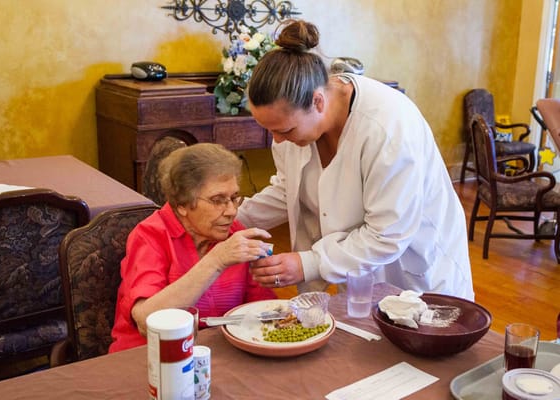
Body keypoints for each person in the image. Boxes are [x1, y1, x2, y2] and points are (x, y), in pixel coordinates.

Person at [236, 20, 474, 300]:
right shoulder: (296, 127)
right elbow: (289, 190)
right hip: (360, 272)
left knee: (419, 329)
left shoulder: (387, 128)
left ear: (318, 102)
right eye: (269, 131)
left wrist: (308, 263)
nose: (276, 140)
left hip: (416, 267)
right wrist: (231, 220)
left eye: (284, 130)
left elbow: (387, 235)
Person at [109, 143, 276, 352]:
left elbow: (263, 310)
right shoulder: (150, 236)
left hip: (217, 354)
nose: (232, 211)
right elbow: (147, 321)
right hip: (150, 357)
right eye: (218, 200)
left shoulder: (234, 232)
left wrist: (274, 274)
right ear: (182, 204)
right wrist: (216, 261)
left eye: (234, 198)